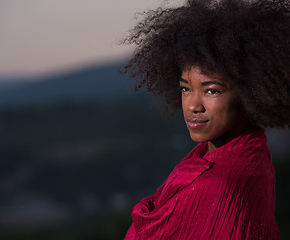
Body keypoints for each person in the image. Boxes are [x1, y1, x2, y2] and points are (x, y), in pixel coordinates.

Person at [123, 0, 290, 239]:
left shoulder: (217, 186)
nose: (192, 105)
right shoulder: (250, 152)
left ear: (252, 92)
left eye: (212, 90)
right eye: (185, 89)